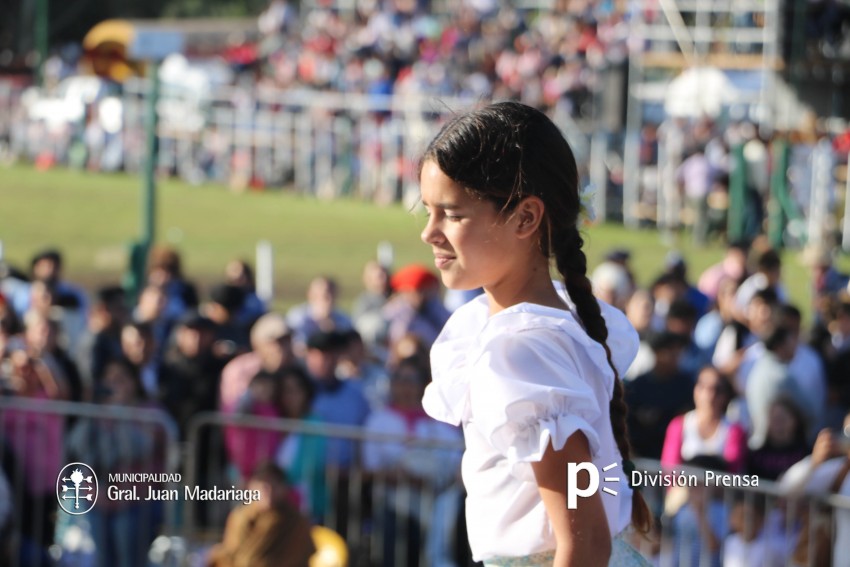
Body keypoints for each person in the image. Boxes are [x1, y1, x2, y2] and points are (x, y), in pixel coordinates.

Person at [418, 102, 651, 566]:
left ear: (525, 218)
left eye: (453, 214)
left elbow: (583, 543)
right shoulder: (530, 326)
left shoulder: (522, 348)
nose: (430, 233)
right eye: (427, 211)